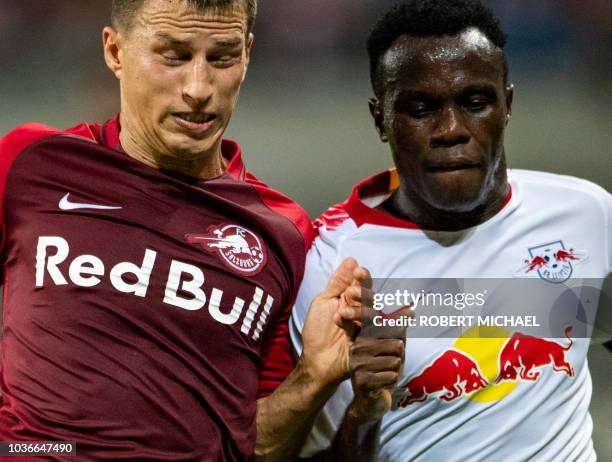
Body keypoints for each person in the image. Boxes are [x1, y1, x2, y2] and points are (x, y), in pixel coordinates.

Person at [0, 0, 403, 460]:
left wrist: (312, 377)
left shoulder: (284, 234)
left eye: (223, 57)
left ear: (247, 55)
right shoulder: (29, 165)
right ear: (115, 52)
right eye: (173, 56)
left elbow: (258, 449)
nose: (198, 87)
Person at [290, 0, 612, 460]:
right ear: (381, 119)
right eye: (421, 109)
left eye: (475, 103)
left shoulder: (586, 215)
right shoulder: (332, 268)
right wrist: (364, 411)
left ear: (508, 105)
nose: (451, 130)